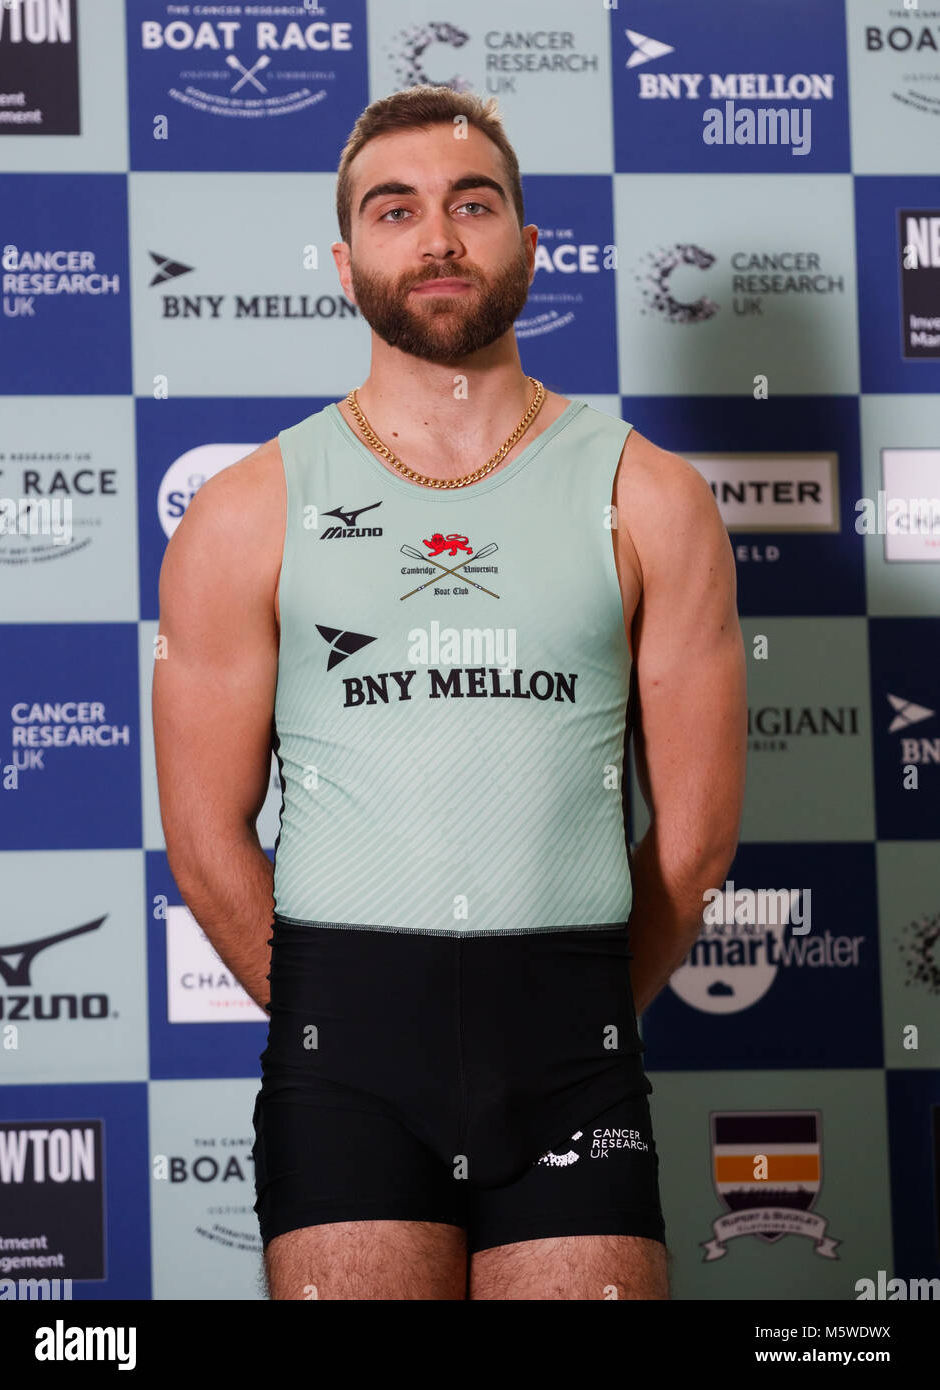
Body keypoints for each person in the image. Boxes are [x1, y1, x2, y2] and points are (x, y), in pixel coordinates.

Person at [152, 84, 746, 1301]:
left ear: (528, 245)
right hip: (343, 1066)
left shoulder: (651, 497)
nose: (437, 236)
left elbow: (691, 844)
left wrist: (546, 1006)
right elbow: (207, 839)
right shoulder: (248, 509)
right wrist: (358, 1015)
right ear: (344, 259)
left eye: (472, 204)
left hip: (575, 1049)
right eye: (395, 208)